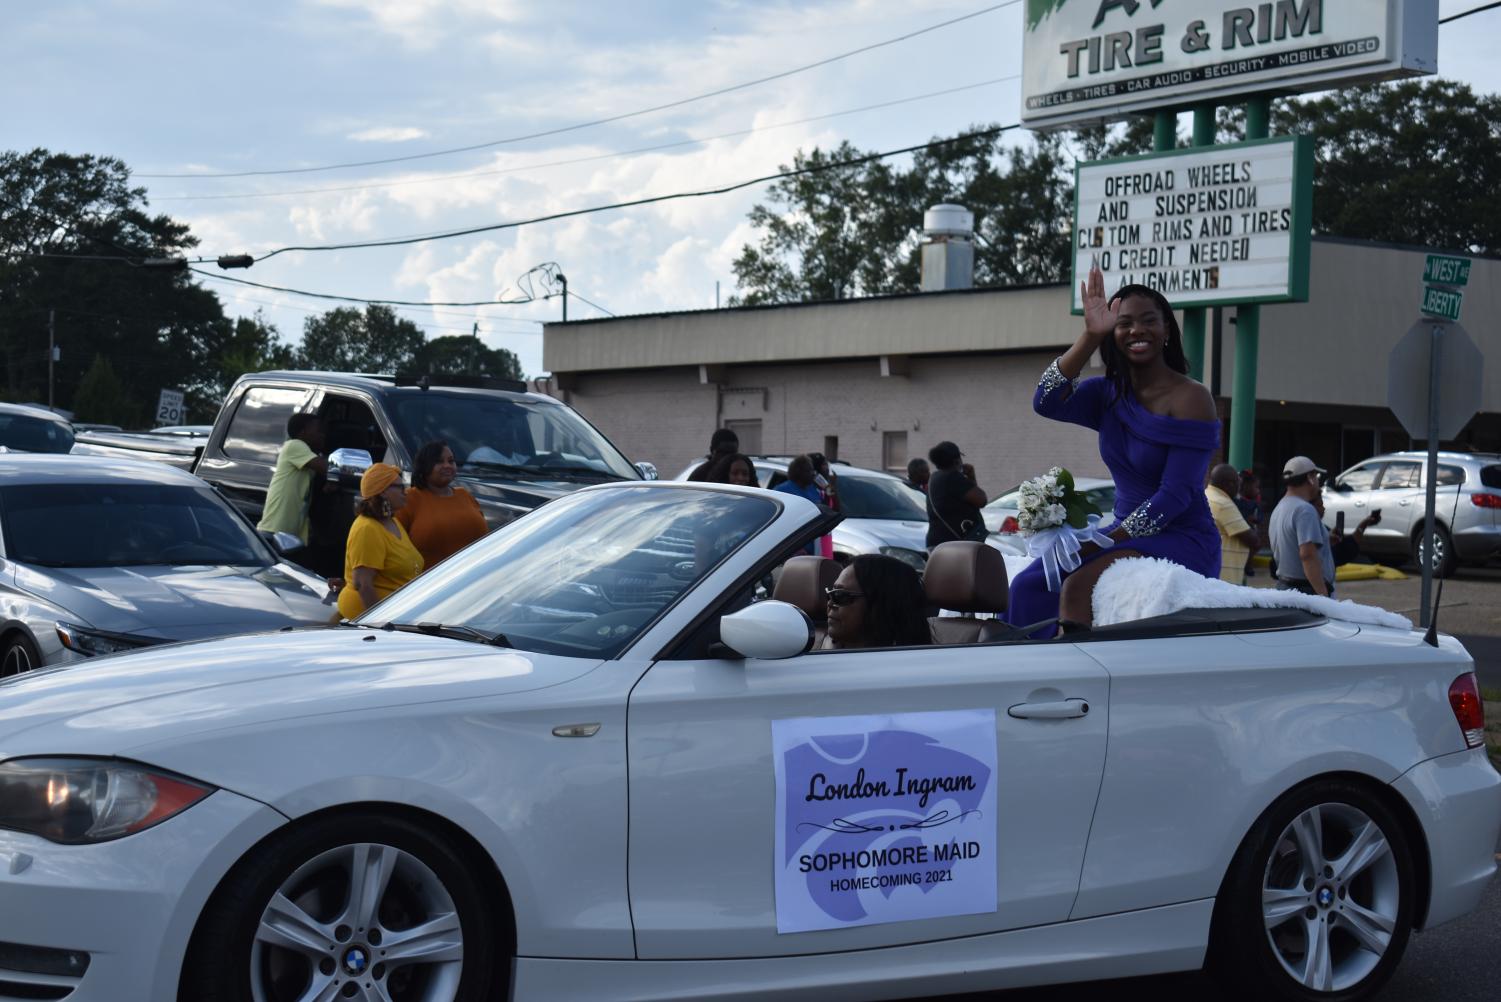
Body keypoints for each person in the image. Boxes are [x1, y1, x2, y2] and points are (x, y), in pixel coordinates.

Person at [1006, 265, 1221, 633]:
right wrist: (1090, 336)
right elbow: (1045, 401)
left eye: (1148, 320)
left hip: (1180, 536)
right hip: (1120, 533)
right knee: (1027, 585)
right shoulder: (1106, 393)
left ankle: (1079, 679)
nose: (1137, 330)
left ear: (1167, 329)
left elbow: (1177, 495)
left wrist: (1101, 541)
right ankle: (1018, 673)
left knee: (1076, 586)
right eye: (1124, 323)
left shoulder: (1192, 397)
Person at [337, 463, 425, 620]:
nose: (406, 492)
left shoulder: (392, 521)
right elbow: (363, 585)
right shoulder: (367, 528)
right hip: (373, 619)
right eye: (400, 487)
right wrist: (380, 623)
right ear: (383, 491)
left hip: (397, 612)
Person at [396, 440, 488, 568]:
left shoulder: (465, 495)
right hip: (431, 583)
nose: (447, 465)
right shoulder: (410, 499)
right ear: (425, 466)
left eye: (451, 461)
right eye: (439, 462)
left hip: (473, 578)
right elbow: (394, 546)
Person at [823, 554, 932, 649]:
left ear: (882, 605)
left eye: (840, 595)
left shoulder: (908, 666)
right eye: (830, 594)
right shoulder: (815, 648)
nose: (830, 603)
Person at [1269, 456, 1335, 598]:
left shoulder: (1280, 508)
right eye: (1316, 476)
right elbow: (1307, 554)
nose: (1318, 481)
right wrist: (1323, 596)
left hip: (1285, 588)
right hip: (1307, 591)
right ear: (1310, 478)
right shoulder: (1305, 510)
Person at [257, 413, 328, 544]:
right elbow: (326, 468)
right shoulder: (294, 445)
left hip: (290, 535)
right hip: (275, 532)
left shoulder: (307, 457)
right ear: (303, 432)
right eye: (318, 430)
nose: (322, 434)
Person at [925, 441, 988, 548]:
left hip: (938, 542)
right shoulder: (953, 478)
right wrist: (971, 476)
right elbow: (981, 500)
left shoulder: (935, 477)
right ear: (957, 461)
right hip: (955, 544)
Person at [1206, 463, 1257, 585]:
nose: (1239, 488)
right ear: (1229, 484)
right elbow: (1252, 540)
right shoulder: (1223, 503)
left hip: (1212, 572)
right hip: (1226, 579)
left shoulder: (1207, 495)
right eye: (1238, 483)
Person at [774, 455, 826, 555]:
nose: (813, 474)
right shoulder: (782, 490)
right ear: (799, 472)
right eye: (809, 470)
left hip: (814, 543)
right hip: (794, 547)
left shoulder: (813, 489)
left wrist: (827, 487)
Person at [1236, 469, 1264, 578]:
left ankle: (1248, 564)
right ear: (1246, 487)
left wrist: (1256, 519)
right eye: (1256, 487)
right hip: (1240, 529)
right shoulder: (1236, 501)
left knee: (1255, 545)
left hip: (1250, 529)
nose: (1258, 491)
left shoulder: (1254, 503)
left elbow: (1260, 516)